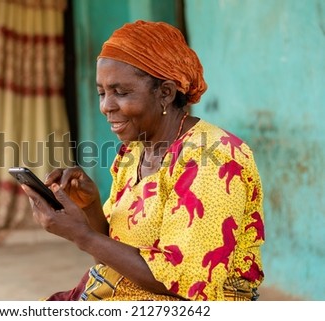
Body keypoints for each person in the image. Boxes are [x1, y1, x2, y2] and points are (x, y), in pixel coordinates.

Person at [21, 20, 265, 301]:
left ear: (165, 93)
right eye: (102, 92)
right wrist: (89, 206)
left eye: (121, 93)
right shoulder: (135, 150)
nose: (106, 106)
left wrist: (82, 235)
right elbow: (116, 250)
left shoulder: (214, 158)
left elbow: (185, 282)